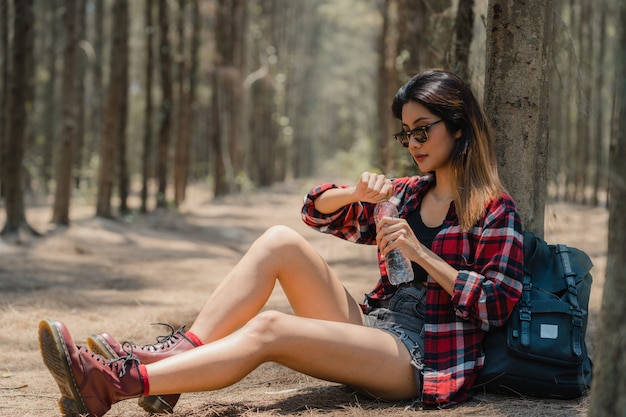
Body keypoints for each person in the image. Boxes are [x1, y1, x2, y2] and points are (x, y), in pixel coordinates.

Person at [38, 70, 524, 417]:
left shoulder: (494, 209)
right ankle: (173, 361)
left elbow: (496, 305)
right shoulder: (408, 193)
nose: (414, 143)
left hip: (421, 354)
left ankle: (115, 385)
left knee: (271, 327)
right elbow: (314, 212)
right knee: (278, 241)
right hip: (374, 325)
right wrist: (355, 194)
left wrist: (422, 255)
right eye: (405, 134)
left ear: (458, 126)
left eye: (424, 130)